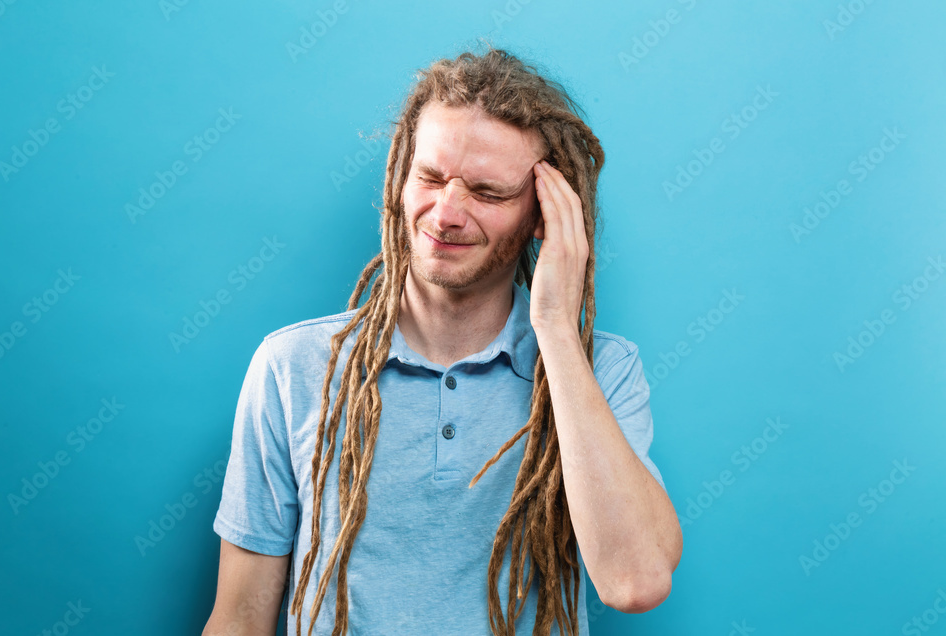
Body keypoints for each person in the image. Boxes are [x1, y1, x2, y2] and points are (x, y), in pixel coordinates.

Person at [202, 46, 682, 636]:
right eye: (429, 178)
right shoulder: (293, 367)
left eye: (487, 192)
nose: (446, 213)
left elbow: (635, 582)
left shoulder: (601, 370)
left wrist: (556, 327)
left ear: (544, 216)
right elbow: (239, 619)